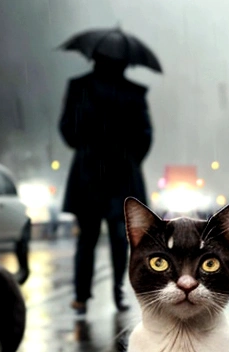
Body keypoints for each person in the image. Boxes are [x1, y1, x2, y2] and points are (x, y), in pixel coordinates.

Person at [59, 54, 153, 314]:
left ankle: (81, 297)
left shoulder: (79, 87)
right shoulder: (134, 93)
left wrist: (87, 144)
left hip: (88, 172)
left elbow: (67, 130)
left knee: (86, 239)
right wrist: (130, 158)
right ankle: (117, 293)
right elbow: (145, 136)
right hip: (123, 172)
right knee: (120, 239)